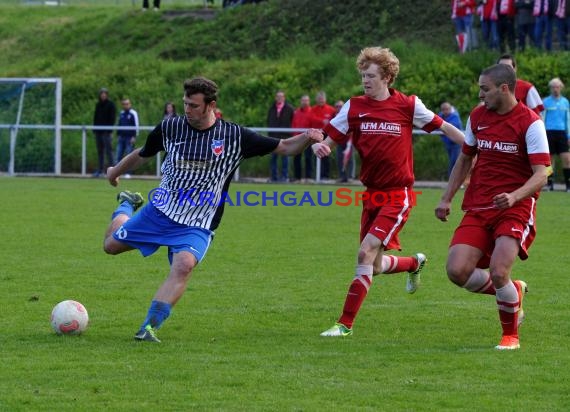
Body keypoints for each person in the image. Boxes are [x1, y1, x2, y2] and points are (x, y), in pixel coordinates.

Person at [102, 77, 323, 342]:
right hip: (160, 211)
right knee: (110, 247)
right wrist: (115, 171)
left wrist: (308, 137)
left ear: (211, 105)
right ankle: (126, 204)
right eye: (185, 103)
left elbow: (285, 147)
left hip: (198, 222)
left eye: (194, 105)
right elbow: (143, 154)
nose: (187, 110)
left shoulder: (234, 136)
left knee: (183, 265)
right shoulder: (170, 127)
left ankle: (148, 327)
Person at [312, 47, 465, 337]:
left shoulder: (408, 105)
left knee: (365, 253)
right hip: (371, 195)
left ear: (387, 77)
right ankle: (413, 263)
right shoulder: (354, 106)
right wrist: (321, 147)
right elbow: (329, 140)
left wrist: (474, 148)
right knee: (376, 265)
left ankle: (344, 325)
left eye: (370, 76)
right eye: (362, 76)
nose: (365, 81)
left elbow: (445, 128)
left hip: (398, 194)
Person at [435, 64, 550, 350]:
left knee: (499, 272)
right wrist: (446, 198)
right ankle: (514, 292)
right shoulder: (477, 116)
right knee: (457, 271)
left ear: (504, 88)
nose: (480, 94)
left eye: (484, 89)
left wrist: (514, 196)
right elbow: (464, 160)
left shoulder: (530, 122)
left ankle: (510, 336)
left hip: (515, 207)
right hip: (479, 205)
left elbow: (542, 173)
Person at [542, 77, 570, 190]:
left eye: (557, 87)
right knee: (549, 160)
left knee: (567, 159)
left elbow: (567, 119)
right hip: (549, 132)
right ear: (550, 88)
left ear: (561, 88)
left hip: (562, 133)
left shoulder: (565, 102)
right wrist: (542, 134)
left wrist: (569, 135)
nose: (555, 89)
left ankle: (568, 185)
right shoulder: (546, 102)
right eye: (553, 87)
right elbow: (542, 118)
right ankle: (550, 184)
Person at [267, 90, 295, 182]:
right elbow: (269, 121)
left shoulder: (290, 108)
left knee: (285, 158)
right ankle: (274, 177)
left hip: (285, 137)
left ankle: (285, 176)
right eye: (278, 96)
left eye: (281, 96)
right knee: (273, 158)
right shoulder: (271, 108)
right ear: (275, 98)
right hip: (273, 138)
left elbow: (293, 122)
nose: (279, 98)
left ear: (284, 98)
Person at [311, 91, 337, 180]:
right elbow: (312, 119)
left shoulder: (331, 110)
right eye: (319, 98)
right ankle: (316, 175)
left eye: (322, 98)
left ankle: (325, 176)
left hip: (327, 135)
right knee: (315, 155)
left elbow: (335, 121)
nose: (321, 100)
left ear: (325, 99)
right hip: (315, 135)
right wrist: (322, 121)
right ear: (316, 99)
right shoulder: (313, 109)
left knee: (326, 155)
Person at [93, 87, 116, 178]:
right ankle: (100, 169)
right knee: (100, 151)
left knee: (109, 151)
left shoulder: (111, 105)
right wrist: (95, 129)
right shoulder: (98, 105)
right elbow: (95, 117)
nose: (103, 95)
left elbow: (112, 118)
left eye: (104, 94)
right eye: (101, 94)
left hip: (106, 131)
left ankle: (113, 170)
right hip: (99, 131)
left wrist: (109, 130)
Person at [291, 95, 314, 182]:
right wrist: (294, 136)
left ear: (309, 101)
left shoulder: (312, 111)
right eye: (303, 100)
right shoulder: (296, 112)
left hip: (308, 139)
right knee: (296, 157)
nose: (305, 102)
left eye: (306, 100)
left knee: (308, 158)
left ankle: (309, 177)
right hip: (297, 139)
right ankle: (297, 177)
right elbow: (293, 124)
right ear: (301, 101)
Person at [115, 98, 139, 179]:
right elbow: (119, 124)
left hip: (129, 137)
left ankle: (128, 173)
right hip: (122, 137)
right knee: (118, 155)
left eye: (127, 104)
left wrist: (134, 136)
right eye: (124, 104)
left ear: (130, 104)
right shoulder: (121, 113)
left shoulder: (133, 113)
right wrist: (118, 135)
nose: (125, 105)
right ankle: (116, 173)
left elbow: (136, 125)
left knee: (129, 156)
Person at [439, 102, 464, 178]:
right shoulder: (441, 115)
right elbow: (437, 125)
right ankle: (453, 179)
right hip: (448, 143)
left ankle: (454, 179)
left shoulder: (455, 116)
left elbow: (451, 126)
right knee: (452, 161)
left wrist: (442, 126)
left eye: (447, 109)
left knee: (455, 162)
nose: (445, 111)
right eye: (443, 110)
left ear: (450, 109)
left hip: (456, 143)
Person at [333, 100, 354, 183]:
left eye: (340, 106)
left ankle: (350, 177)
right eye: (337, 106)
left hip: (349, 140)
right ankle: (342, 176)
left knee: (350, 158)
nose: (338, 108)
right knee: (339, 159)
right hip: (339, 140)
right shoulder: (334, 115)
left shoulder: (348, 114)